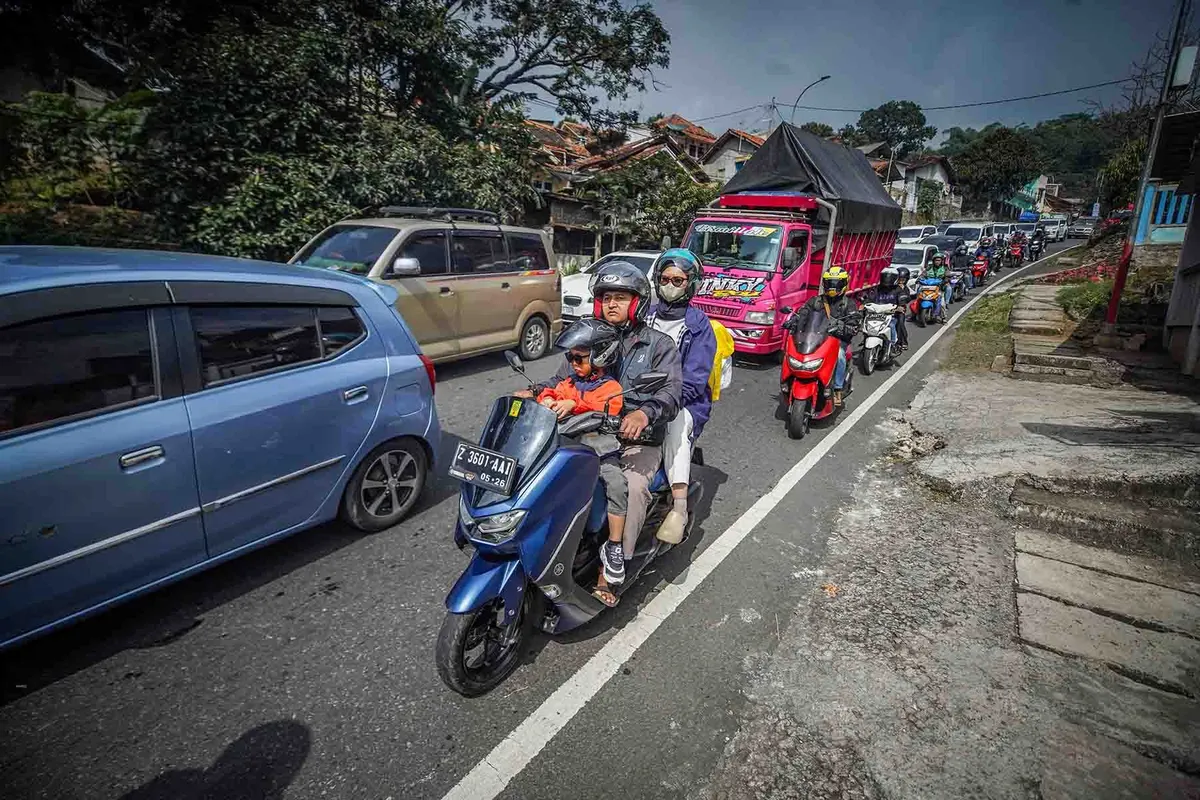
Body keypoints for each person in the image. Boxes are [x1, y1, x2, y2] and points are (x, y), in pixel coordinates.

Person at [524, 261, 682, 607]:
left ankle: (612, 565)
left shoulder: (657, 344)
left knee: (633, 486)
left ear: (638, 302)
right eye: (606, 297)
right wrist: (533, 392)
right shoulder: (586, 338)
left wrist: (644, 412)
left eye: (621, 297)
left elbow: (670, 393)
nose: (612, 304)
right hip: (584, 434)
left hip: (634, 441)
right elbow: (560, 381)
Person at [645, 248, 717, 545]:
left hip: (684, 402)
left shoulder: (699, 326)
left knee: (676, 424)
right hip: (637, 395)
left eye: (678, 280)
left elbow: (695, 379)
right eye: (665, 278)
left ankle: (678, 508)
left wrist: (664, 402)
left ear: (691, 284)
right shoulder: (644, 315)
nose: (670, 285)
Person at [535, 318, 628, 547]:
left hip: (599, 452)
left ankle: (615, 543)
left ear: (601, 357)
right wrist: (546, 398)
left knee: (617, 484)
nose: (573, 363)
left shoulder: (611, 388)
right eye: (570, 357)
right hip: (568, 448)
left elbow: (602, 406)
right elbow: (553, 391)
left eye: (579, 358)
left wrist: (572, 405)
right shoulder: (569, 383)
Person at [784, 266, 859, 408]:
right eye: (830, 283)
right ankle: (787, 382)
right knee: (793, 351)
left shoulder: (849, 304)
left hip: (837, 339)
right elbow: (803, 314)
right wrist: (793, 321)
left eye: (836, 284)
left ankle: (837, 389)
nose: (832, 287)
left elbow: (854, 324)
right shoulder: (815, 301)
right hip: (815, 338)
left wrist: (843, 326)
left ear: (843, 284)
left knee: (840, 355)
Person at [862, 267, 909, 351]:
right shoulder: (877, 288)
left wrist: (899, 307)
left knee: (892, 325)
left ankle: (893, 343)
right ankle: (865, 342)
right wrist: (864, 303)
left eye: (890, 277)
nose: (887, 279)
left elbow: (902, 299)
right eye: (885, 276)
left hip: (891, 315)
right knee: (866, 325)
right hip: (876, 314)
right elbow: (870, 297)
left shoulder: (898, 290)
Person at [927, 252, 950, 322]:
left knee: (942, 304)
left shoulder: (945, 268)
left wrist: (945, 281)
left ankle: (943, 317)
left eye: (939, 260)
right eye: (936, 260)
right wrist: (919, 279)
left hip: (939, 289)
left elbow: (947, 276)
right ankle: (914, 314)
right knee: (919, 297)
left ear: (941, 261)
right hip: (929, 288)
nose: (937, 262)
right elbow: (923, 274)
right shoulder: (929, 268)